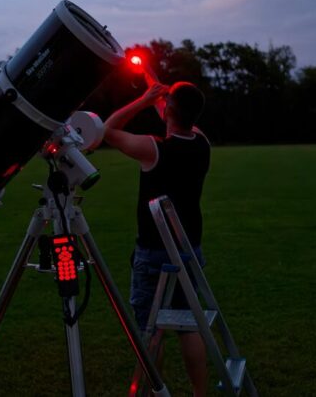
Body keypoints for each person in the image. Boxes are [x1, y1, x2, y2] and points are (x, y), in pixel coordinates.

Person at [103, 79, 210, 397]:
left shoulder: (154, 149)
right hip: (190, 249)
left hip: (153, 255)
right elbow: (183, 118)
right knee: (189, 325)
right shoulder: (202, 144)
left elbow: (108, 130)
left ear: (168, 111)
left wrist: (143, 100)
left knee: (152, 332)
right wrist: (160, 99)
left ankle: (154, 392)